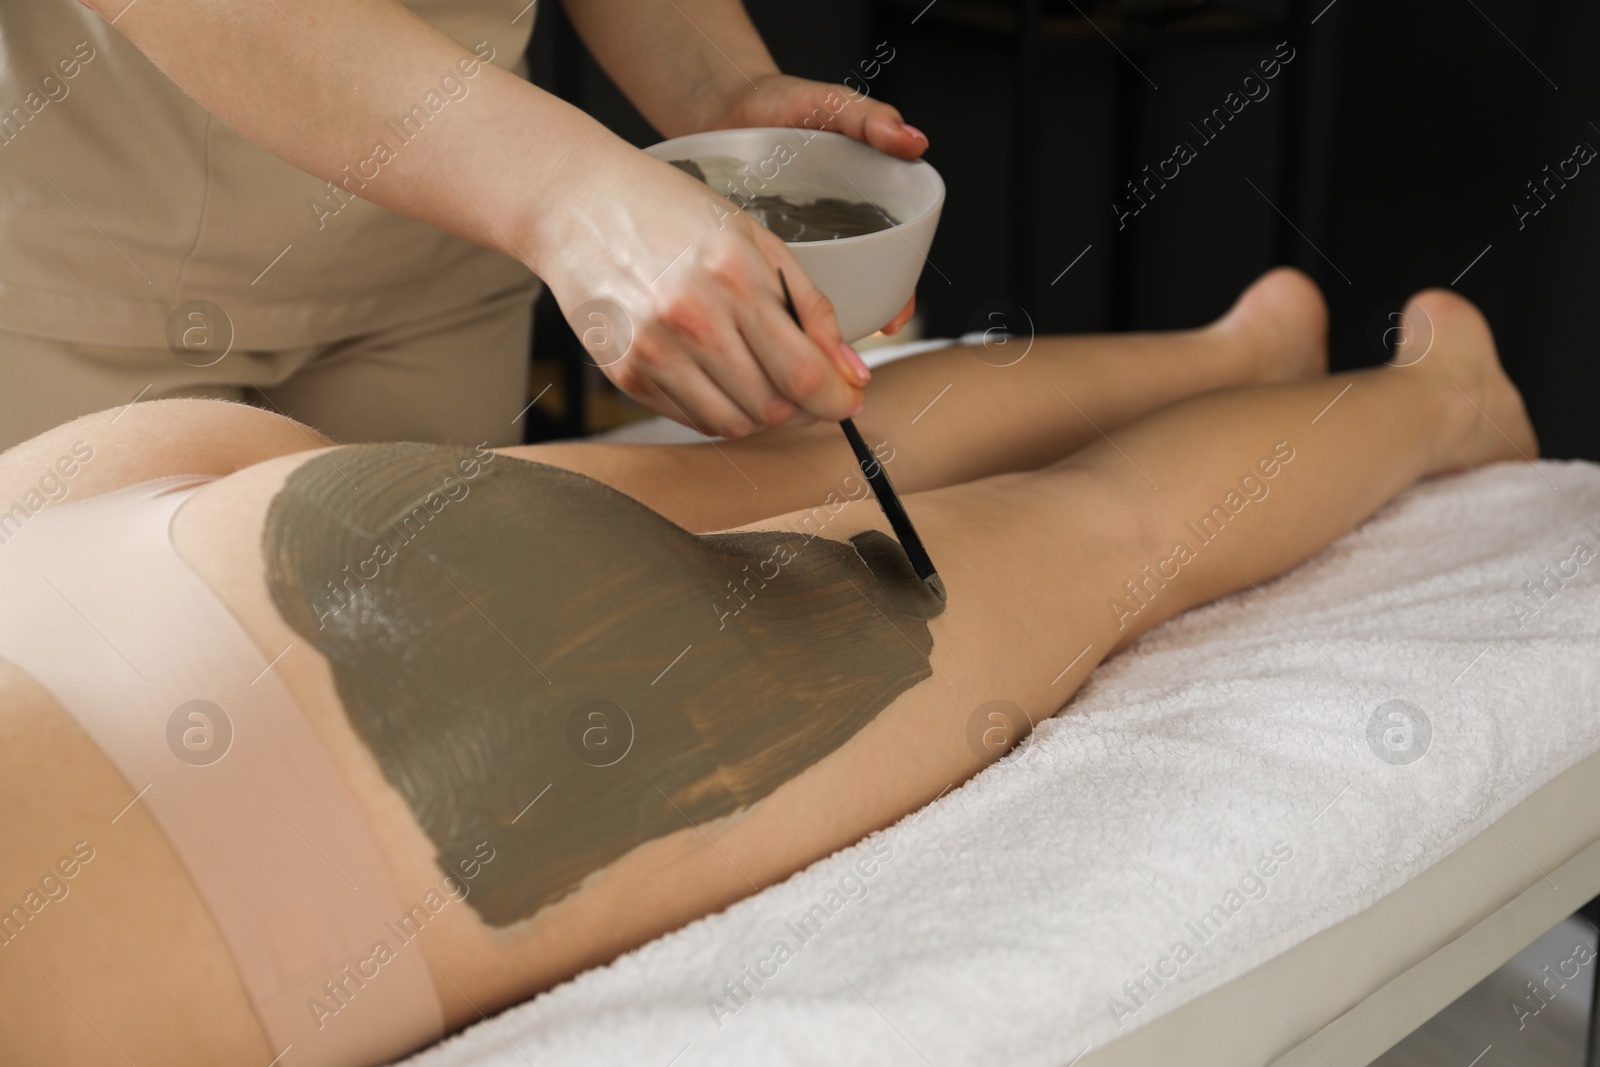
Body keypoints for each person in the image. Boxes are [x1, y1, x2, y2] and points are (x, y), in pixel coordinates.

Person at [0, 269, 1536, 1066]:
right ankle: (1228, 354)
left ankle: (1444, 403)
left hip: (348, 724)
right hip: (72, 535)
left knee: (1104, 536)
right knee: (792, 468)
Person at [0, 0, 924, 451]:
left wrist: (723, 93)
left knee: (431, 693)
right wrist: (573, 197)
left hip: (442, 250)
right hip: (91, 263)